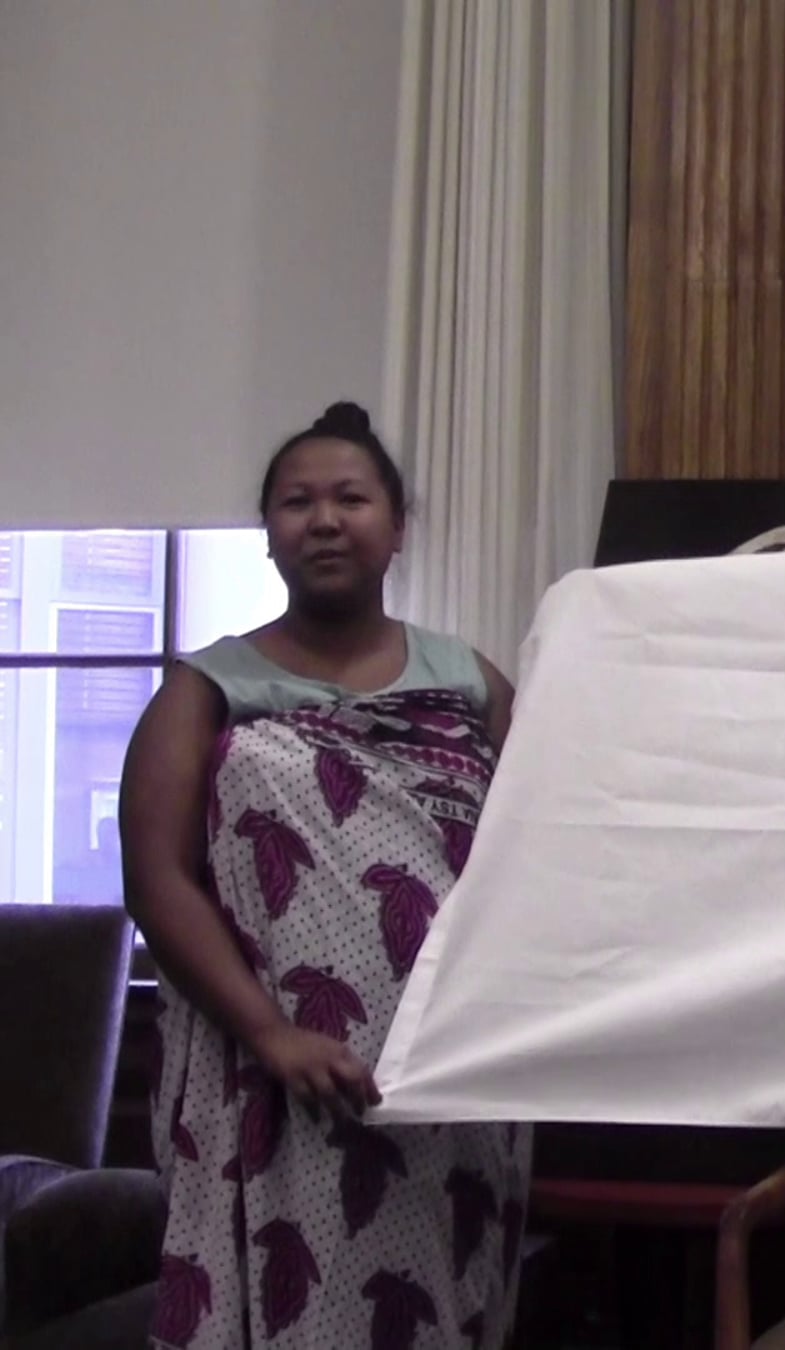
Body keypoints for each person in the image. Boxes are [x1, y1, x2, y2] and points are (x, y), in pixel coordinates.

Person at [121, 403, 530, 1350]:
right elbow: (157, 881)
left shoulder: (470, 682)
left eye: (351, 498)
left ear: (398, 526)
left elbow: (536, 853)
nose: (325, 520)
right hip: (272, 1073)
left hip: (450, 1076)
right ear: (268, 534)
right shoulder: (207, 688)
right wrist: (273, 1035)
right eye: (297, 503)